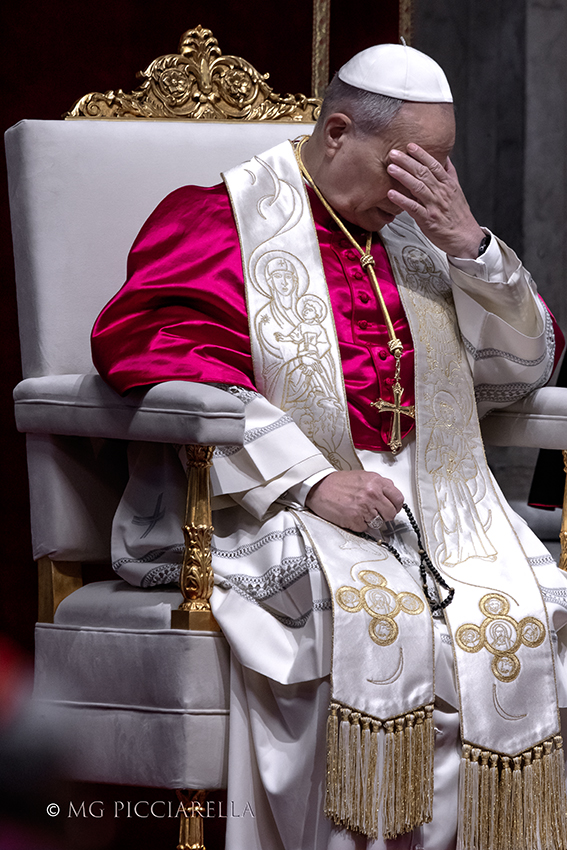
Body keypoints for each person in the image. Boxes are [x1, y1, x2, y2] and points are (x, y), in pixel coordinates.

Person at [92, 43, 567, 850]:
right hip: (260, 496)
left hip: (427, 495)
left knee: (529, 611)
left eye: (440, 168)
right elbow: (155, 344)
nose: (425, 190)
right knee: (366, 616)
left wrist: (471, 249)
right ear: (338, 131)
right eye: (405, 167)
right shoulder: (219, 221)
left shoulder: (423, 232)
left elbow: (521, 370)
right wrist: (309, 481)